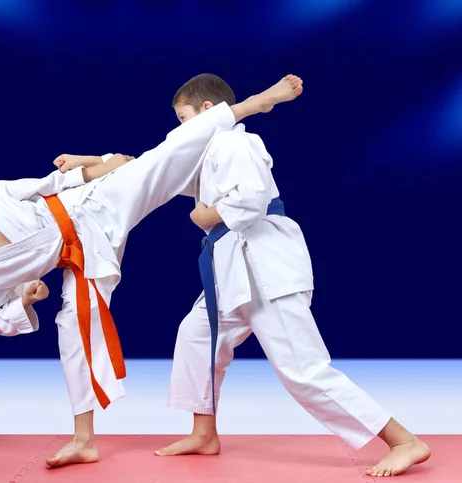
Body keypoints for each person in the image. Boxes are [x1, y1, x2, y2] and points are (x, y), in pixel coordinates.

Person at [0, 75, 304, 469]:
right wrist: (23, 299)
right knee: (73, 330)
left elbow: (54, 182)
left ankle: (254, 102)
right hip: (83, 257)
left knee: (163, 156)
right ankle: (83, 440)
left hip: (93, 204)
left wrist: (97, 167)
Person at [154, 74, 430, 478]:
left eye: (183, 118)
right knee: (197, 337)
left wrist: (204, 216)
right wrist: (99, 166)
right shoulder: (209, 152)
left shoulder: (234, 141)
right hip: (234, 273)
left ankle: (404, 441)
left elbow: (249, 200)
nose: (180, 127)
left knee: (303, 370)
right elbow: (164, 174)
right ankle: (204, 433)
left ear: (208, 110)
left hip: (266, 269)